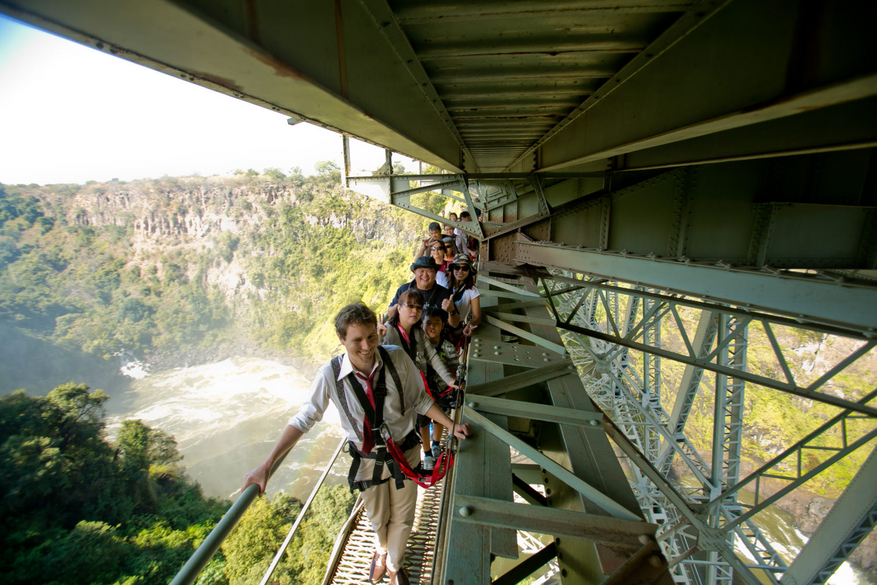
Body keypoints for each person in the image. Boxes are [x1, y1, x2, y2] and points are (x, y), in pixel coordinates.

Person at [242, 304, 471, 585]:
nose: (366, 347)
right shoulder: (330, 375)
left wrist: (451, 425)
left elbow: (421, 400)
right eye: (357, 340)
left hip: (406, 451)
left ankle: (394, 565)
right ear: (341, 340)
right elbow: (305, 418)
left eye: (371, 337)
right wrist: (267, 465)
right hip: (367, 460)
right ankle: (382, 549)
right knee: (378, 519)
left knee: (403, 517)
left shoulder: (396, 359)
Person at [378, 290, 456, 471]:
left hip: (417, 389)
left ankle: (423, 456)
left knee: (423, 419)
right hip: (397, 395)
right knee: (414, 426)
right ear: (399, 308)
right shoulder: (387, 333)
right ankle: (413, 462)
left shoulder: (418, 332)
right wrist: (377, 338)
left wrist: (449, 379)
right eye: (410, 306)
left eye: (419, 307)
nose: (415, 311)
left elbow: (432, 356)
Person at [421, 306, 461, 470]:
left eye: (437, 323)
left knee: (439, 418)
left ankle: (436, 444)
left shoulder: (448, 348)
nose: (432, 327)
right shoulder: (418, 348)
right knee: (422, 423)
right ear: (422, 325)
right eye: (428, 323)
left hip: (442, 391)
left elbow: (453, 370)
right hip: (422, 393)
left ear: (443, 325)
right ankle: (427, 453)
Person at [388, 256, 461, 329]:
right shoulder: (404, 289)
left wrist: (451, 310)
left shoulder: (444, 293)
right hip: (407, 335)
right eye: (421, 270)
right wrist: (403, 305)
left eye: (429, 271)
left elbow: (455, 324)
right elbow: (390, 313)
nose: (425, 275)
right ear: (415, 272)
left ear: (435, 273)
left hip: (434, 337)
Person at [448, 254, 481, 338]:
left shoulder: (472, 291)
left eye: (465, 268)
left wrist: (470, 325)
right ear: (452, 269)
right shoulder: (443, 285)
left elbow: (477, 317)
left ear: (469, 271)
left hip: (455, 329)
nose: (460, 271)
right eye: (457, 267)